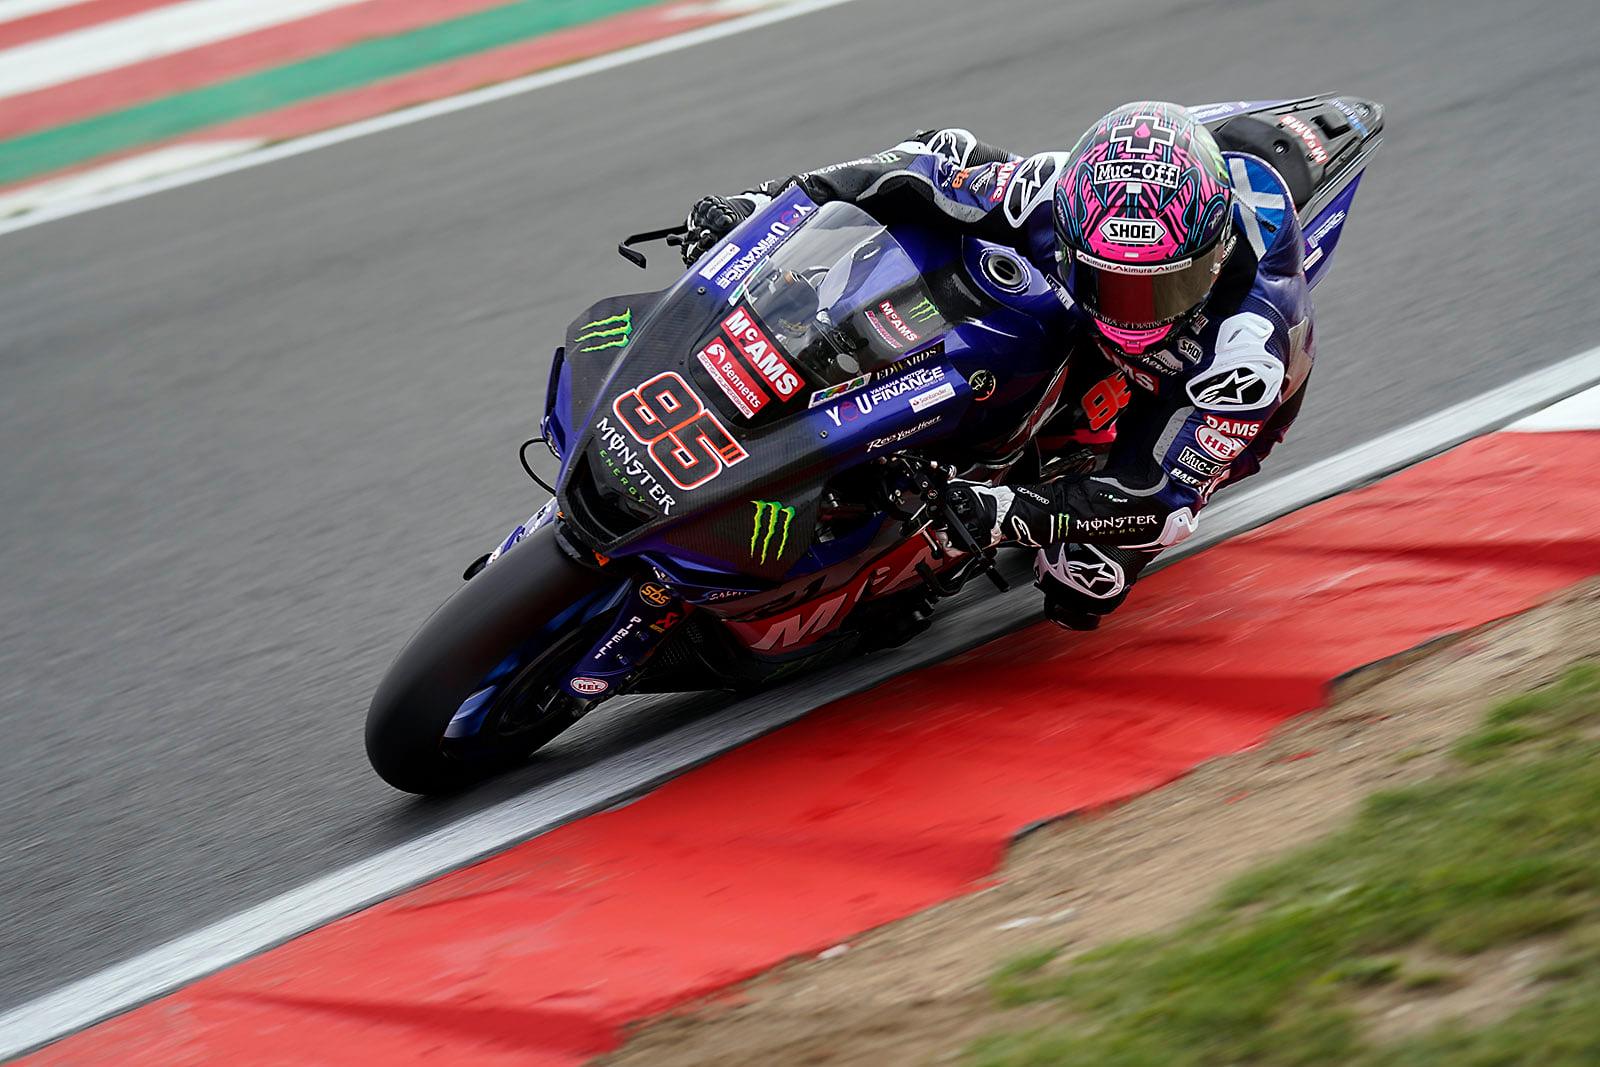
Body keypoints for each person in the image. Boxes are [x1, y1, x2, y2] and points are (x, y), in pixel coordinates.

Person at [680, 101, 1313, 630]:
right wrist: (767, 208)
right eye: (1109, 280)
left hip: (1177, 397)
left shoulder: (1249, 349)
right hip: (1074, 312)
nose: (1133, 310)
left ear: (1213, 258)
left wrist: (1009, 511)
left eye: (1157, 290)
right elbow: (921, 169)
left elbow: (1163, 502)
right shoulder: (1051, 193)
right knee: (949, 148)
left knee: (1086, 580)